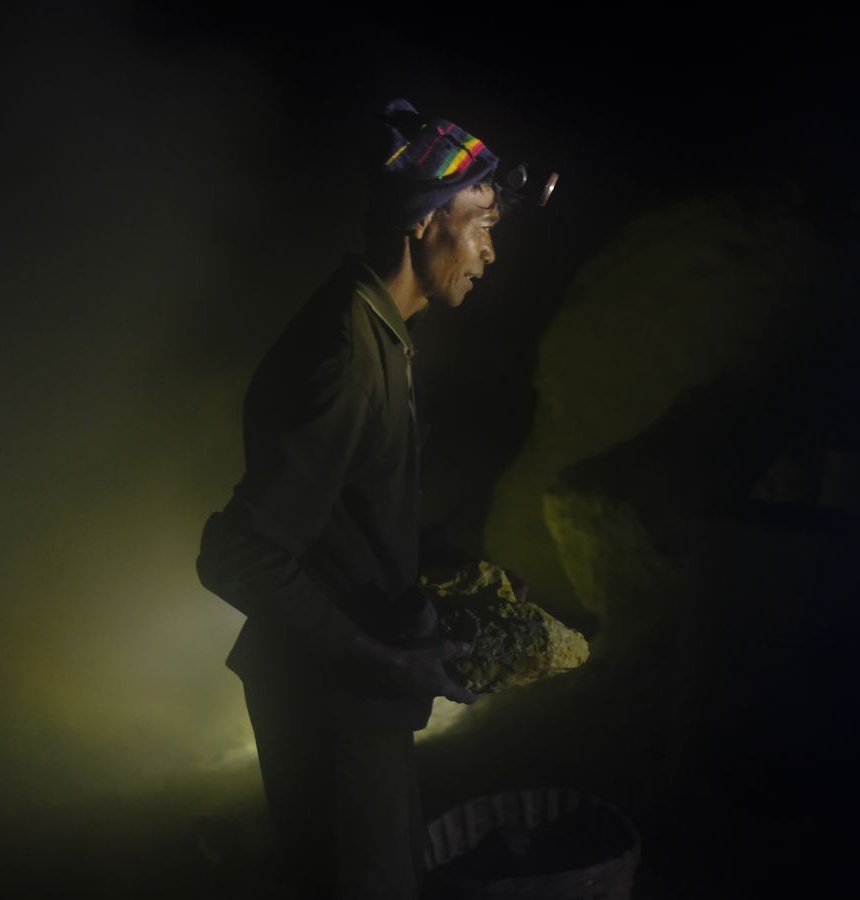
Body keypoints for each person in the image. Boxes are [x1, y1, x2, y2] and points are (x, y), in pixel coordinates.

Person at [196, 98, 506, 899]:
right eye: (481, 225)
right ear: (423, 224)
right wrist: (383, 655)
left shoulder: (383, 334)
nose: (490, 252)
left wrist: (429, 600)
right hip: (327, 706)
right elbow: (238, 555)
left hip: (362, 695)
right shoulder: (342, 355)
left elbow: (350, 517)